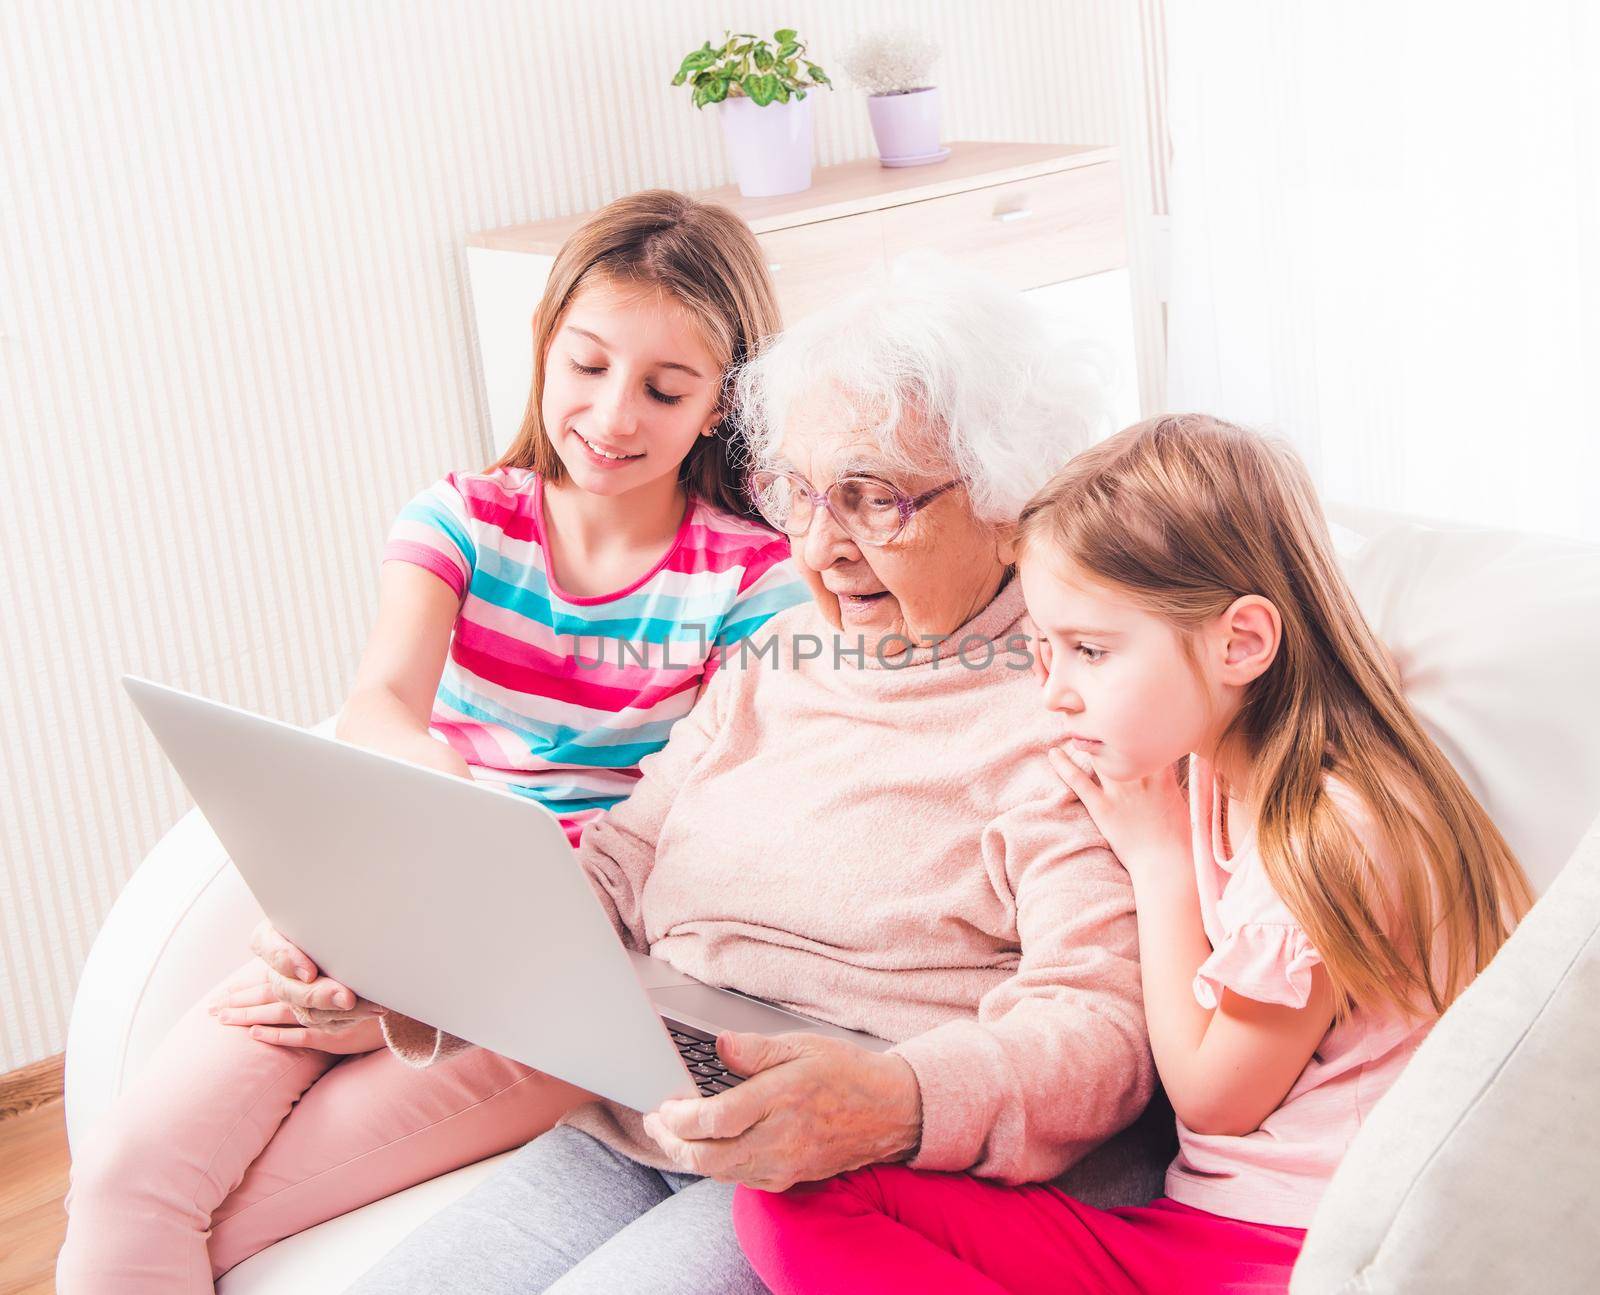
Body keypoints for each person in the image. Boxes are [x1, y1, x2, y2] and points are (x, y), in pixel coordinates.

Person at [345, 259, 1152, 1294]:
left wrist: (894, 1096)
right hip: (652, 1103)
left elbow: (1102, 1028)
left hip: (855, 1166)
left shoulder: (1064, 705)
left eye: (874, 501)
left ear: (1008, 497)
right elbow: (622, 865)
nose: (822, 547)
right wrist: (416, 957)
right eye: (801, 493)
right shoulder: (777, 655)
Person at [57, 189, 805, 1294]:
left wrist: (432, 983)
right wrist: (379, 910)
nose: (612, 413)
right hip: (382, 913)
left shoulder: (751, 581)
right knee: (124, 1182)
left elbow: (699, 832)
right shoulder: (459, 516)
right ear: (545, 344)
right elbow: (379, 708)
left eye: (665, 386)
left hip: (551, 978)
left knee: (225, 1219)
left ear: (721, 405)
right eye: (587, 363)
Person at [733, 413, 1535, 1294]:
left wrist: (1157, 861)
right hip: (1190, 1230)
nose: (1055, 694)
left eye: (1089, 651)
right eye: (1043, 647)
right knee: (796, 1192)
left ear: (1242, 644)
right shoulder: (1210, 761)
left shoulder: (1333, 829)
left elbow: (1214, 1098)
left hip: (1296, 1247)